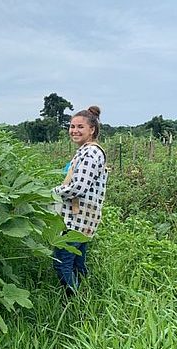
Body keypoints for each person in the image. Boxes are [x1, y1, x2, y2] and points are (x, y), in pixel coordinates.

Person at [51, 106, 108, 295]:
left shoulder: (91, 153)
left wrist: (51, 193)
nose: (74, 130)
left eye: (80, 127)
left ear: (92, 129)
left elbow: (78, 188)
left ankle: (75, 301)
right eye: (72, 126)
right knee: (76, 261)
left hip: (77, 218)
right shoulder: (86, 150)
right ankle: (87, 296)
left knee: (62, 263)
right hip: (83, 217)